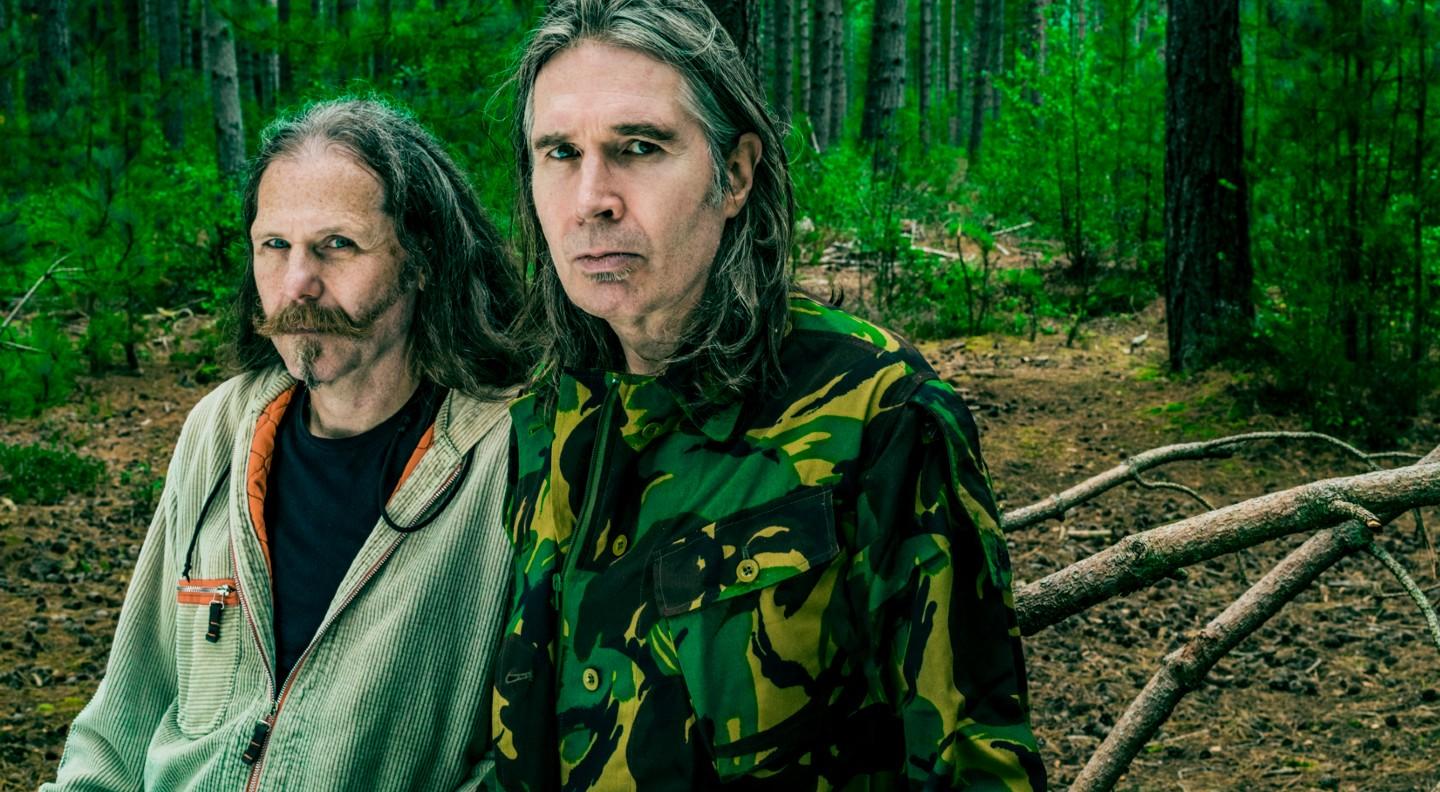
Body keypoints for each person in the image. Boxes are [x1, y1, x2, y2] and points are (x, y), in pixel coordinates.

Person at [489, 1, 1047, 789]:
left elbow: (974, 760)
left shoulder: (879, 411)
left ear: (736, 174)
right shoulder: (542, 421)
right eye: (558, 152)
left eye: (639, 148)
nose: (592, 198)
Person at [45, 98, 525, 791]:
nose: (297, 284)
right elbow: (127, 711)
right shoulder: (219, 431)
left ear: (422, 260)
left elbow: (520, 760)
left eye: (337, 245)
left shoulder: (506, 457)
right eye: (275, 246)